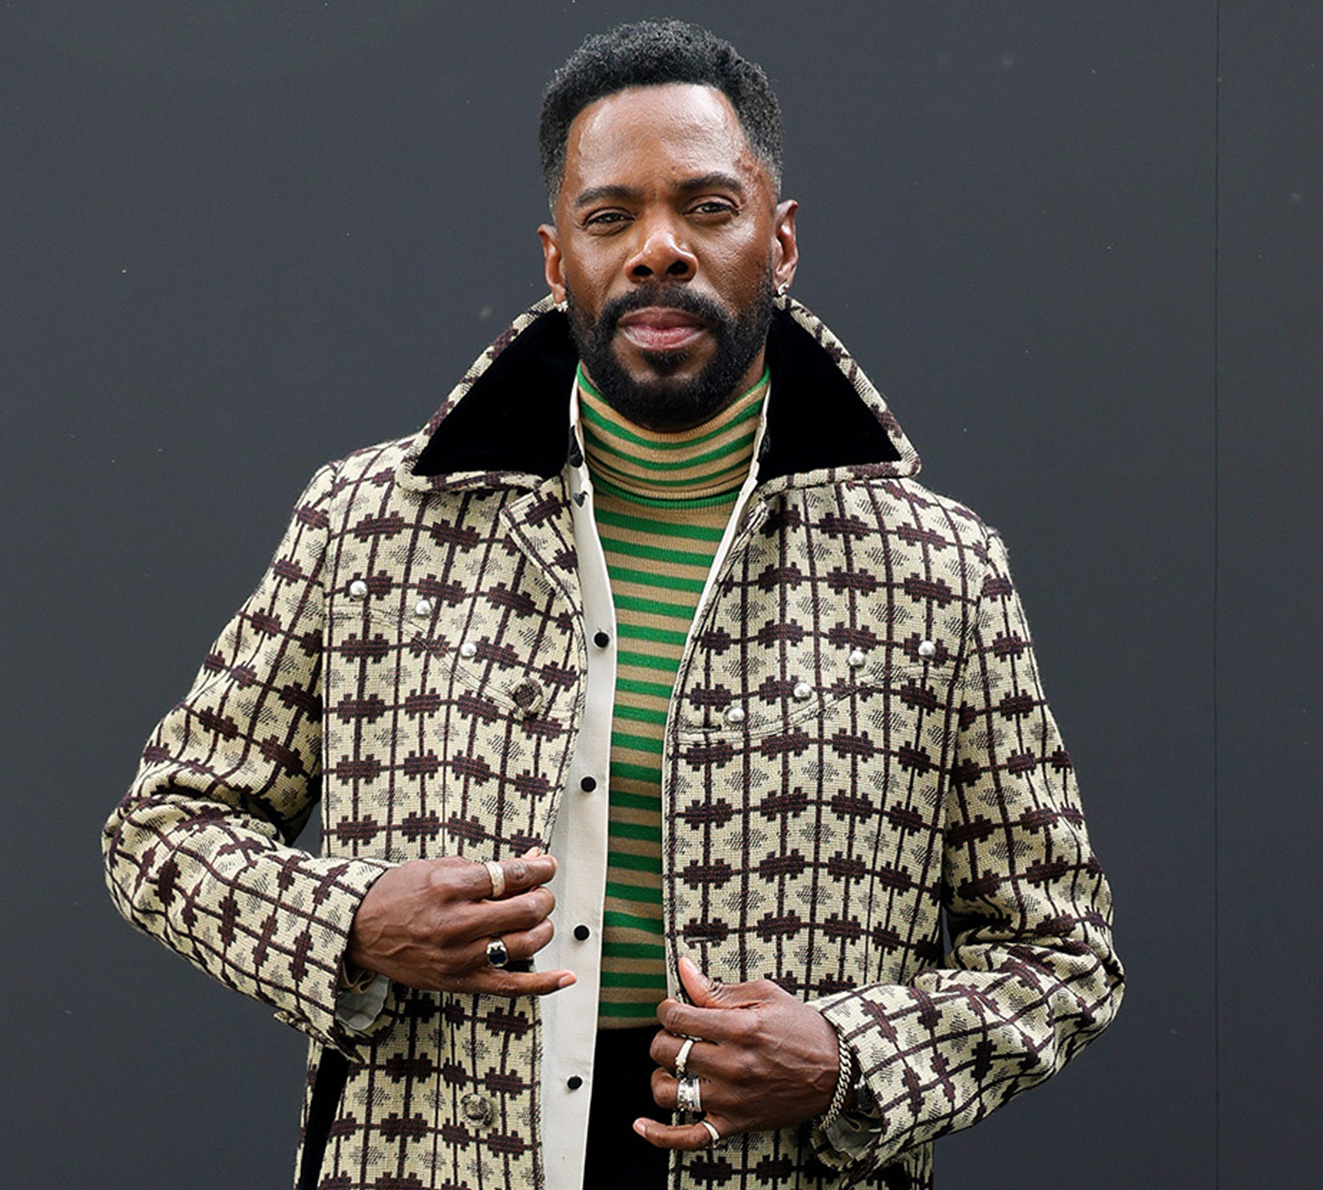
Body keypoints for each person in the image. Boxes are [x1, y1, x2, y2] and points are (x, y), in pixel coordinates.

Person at [103, 19, 1122, 1190]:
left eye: (705, 207)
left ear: (778, 242)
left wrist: (849, 1055)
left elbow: (1062, 952)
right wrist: (354, 917)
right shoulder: (370, 522)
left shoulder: (934, 573)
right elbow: (159, 830)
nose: (657, 251)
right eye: (610, 217)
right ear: (557, 260)